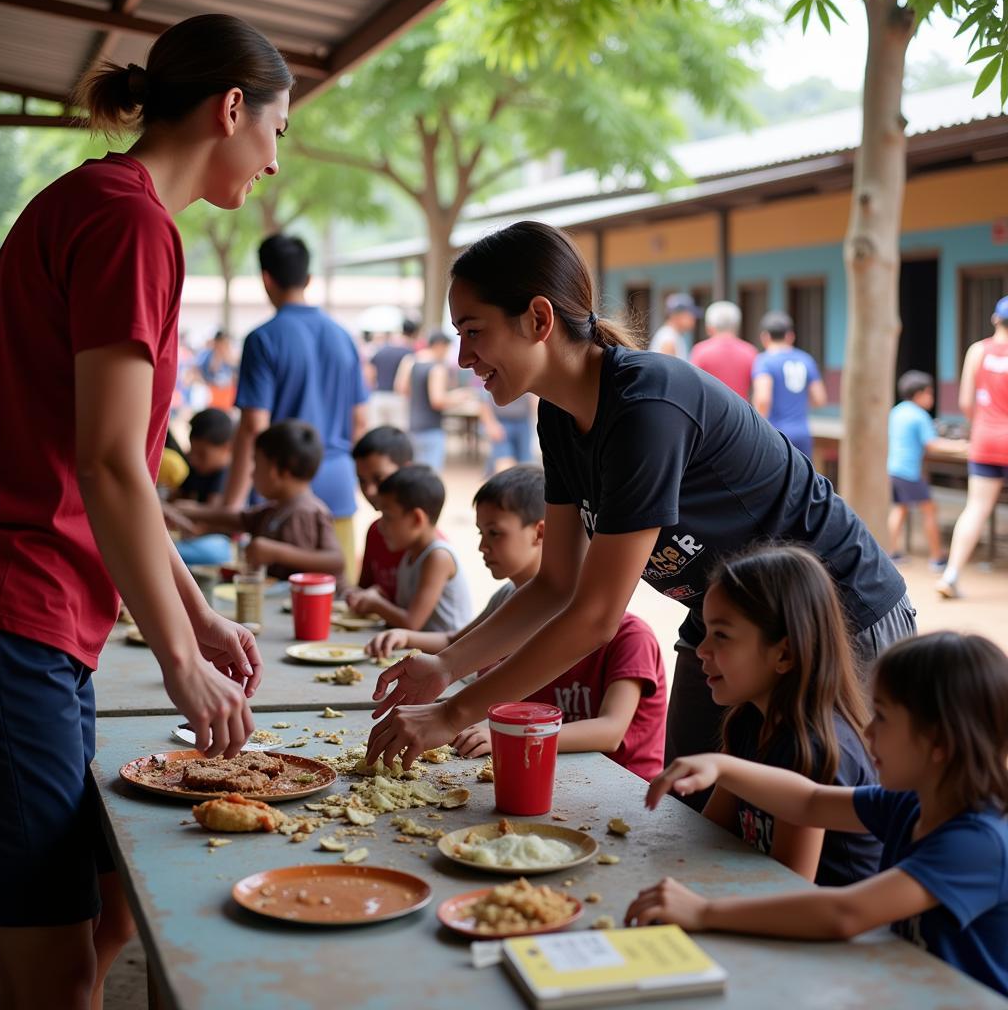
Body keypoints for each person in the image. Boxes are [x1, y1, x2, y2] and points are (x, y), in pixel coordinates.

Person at [363, 221, 912, 804]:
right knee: (689, 809)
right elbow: (556, 583)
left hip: (838, 617)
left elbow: (597, 614)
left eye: (474, 331)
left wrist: (454, 714)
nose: (463, 355)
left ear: (539, 320)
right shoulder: (557, 414)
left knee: (823, 834)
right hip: (724, 623)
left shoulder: (646, 404)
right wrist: (445, 667)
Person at [0, 13, 287, 1009]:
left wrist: (197, 616)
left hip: (45, 618)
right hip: (15, 615)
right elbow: (112, 465)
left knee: (110, 915)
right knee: (53, 974)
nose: (274, 164)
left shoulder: (101, 202)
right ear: (230, 109)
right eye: (275, 132)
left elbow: (119, 482)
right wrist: (177, 661)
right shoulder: (130, 220)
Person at [626, 631, 1008, 999]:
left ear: (940, 742)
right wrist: (723, 767)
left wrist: (705, 912)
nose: (868, 731)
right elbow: (809, 801)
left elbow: (846, 913)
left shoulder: (976, 843)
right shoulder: (911, 802)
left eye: (884, 718)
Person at [368, 465, 667, 780]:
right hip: (547, 772)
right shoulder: (512, 617)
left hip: (620, 789)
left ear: (541, 533)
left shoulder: (632, 637)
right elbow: (458, 649)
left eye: (495, 533)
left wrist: (509, 732)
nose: (482, 547)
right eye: (481, 533)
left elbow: (611, 731)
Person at [695, 546, 881, 884]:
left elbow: (788, 886)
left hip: (817, 926)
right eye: (706, 631)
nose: (701, 649)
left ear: (785, 653)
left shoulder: (814, 749)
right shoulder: (747, 722)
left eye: (721, 635)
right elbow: (708, 837)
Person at [225, 234, 368, 583]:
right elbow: (359, 422)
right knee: (330, 606)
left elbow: (254, 426)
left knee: (271, 607)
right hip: (337, 486)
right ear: (308, 279)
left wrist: (231, 502)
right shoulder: (342, 336)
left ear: (266, 278)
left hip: (282, 493)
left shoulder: (263, 338)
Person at [180, 420, 346, 588]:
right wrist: (191, 511)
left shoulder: (309, 511)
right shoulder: (274, 510)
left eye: (257, 465)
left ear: (275, 471)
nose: (252, 474)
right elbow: (238, 519)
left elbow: (336, 561)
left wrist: (277, 552)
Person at [937, 296, 1008, 599]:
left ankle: (951, 574)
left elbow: (966, 402)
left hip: (984, 439)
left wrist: (983, 424)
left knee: (976, 507)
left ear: (995, 319)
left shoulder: (977, 351)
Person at [347, 465, 472, 632]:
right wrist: (379, 595)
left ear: (416, 519)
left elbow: (411, 623)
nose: (381, 526)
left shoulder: (438, 557)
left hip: (449, 653)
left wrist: (376, 604)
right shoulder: (410, 553)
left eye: (388, 517)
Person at [887, 370, 963, 569]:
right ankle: (937, 558)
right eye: (929, 393)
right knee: (930, 510)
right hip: (909, 471)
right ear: (918, 394)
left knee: (899, 508)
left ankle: (892, 552)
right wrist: (962, 446)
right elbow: (932, 444)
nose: (931, 398)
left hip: (894, 467)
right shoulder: (919, 416)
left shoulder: (897, 411)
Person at [752, 310, 827, 459]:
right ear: (790, 336)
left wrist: (757, 429)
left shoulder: (764, 361)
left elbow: (763, 399)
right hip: (802, 432)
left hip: (775, 433)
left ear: (764, 337)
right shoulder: (806, 359)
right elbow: (820, 399)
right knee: (803, 479)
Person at [352, 425, 415, 600]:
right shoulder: (375, 531)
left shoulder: (426, 543)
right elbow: (363, 589)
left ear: (406, 470)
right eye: (361, 481)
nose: (369, 490)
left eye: (378, 478)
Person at [168, 407, 236, 566]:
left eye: (202, 454)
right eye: (192, 451)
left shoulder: (225, 475)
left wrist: (182, 513)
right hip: (186, 540)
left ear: (227, 448)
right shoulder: (193, 467)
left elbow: (202, 527)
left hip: (214, 543)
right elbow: (175, 500)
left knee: (217, 550)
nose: (194, 459)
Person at [395, 331, 458, 470]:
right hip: (431, 427)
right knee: (430, 474)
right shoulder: (437, 367)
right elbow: (437, 400)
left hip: (413, 424)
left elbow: (401, 388)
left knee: (413, 471)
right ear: (440, 345)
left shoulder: (411, 361)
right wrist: (460, 397)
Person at [689, 300, 757, 398]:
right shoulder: (750, 352)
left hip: (709, 411)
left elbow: (692, 387)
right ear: (737, 326)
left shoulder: (700, 351)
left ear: (709, 327)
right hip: (741, 412)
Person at [368, 318, 417, 429]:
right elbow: (404, 381)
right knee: (398, 436)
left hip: (378, 396)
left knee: (376, 434)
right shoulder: (408, 352)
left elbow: (369, 374)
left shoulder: (381, 350)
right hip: (397, 398)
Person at [478, 392, 538, 472]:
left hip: (523, 421)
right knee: (504, 461)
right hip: (501, 422)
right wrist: (490, 424)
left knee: (525, 462)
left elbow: (535, 398)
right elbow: (484, 400)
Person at [649, 292, 700, 360]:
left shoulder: (673, 335)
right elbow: (667, 370)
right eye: (691, 315)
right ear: (677, 315)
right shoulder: (668, 339)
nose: (694, 319)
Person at [196, 329, 238, 409]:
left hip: (227, 395)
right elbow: (204, 372)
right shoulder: (207, 356)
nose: (224, 346)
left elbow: (236, 374)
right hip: (212, 394)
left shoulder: (230, 357)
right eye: (221, 343)